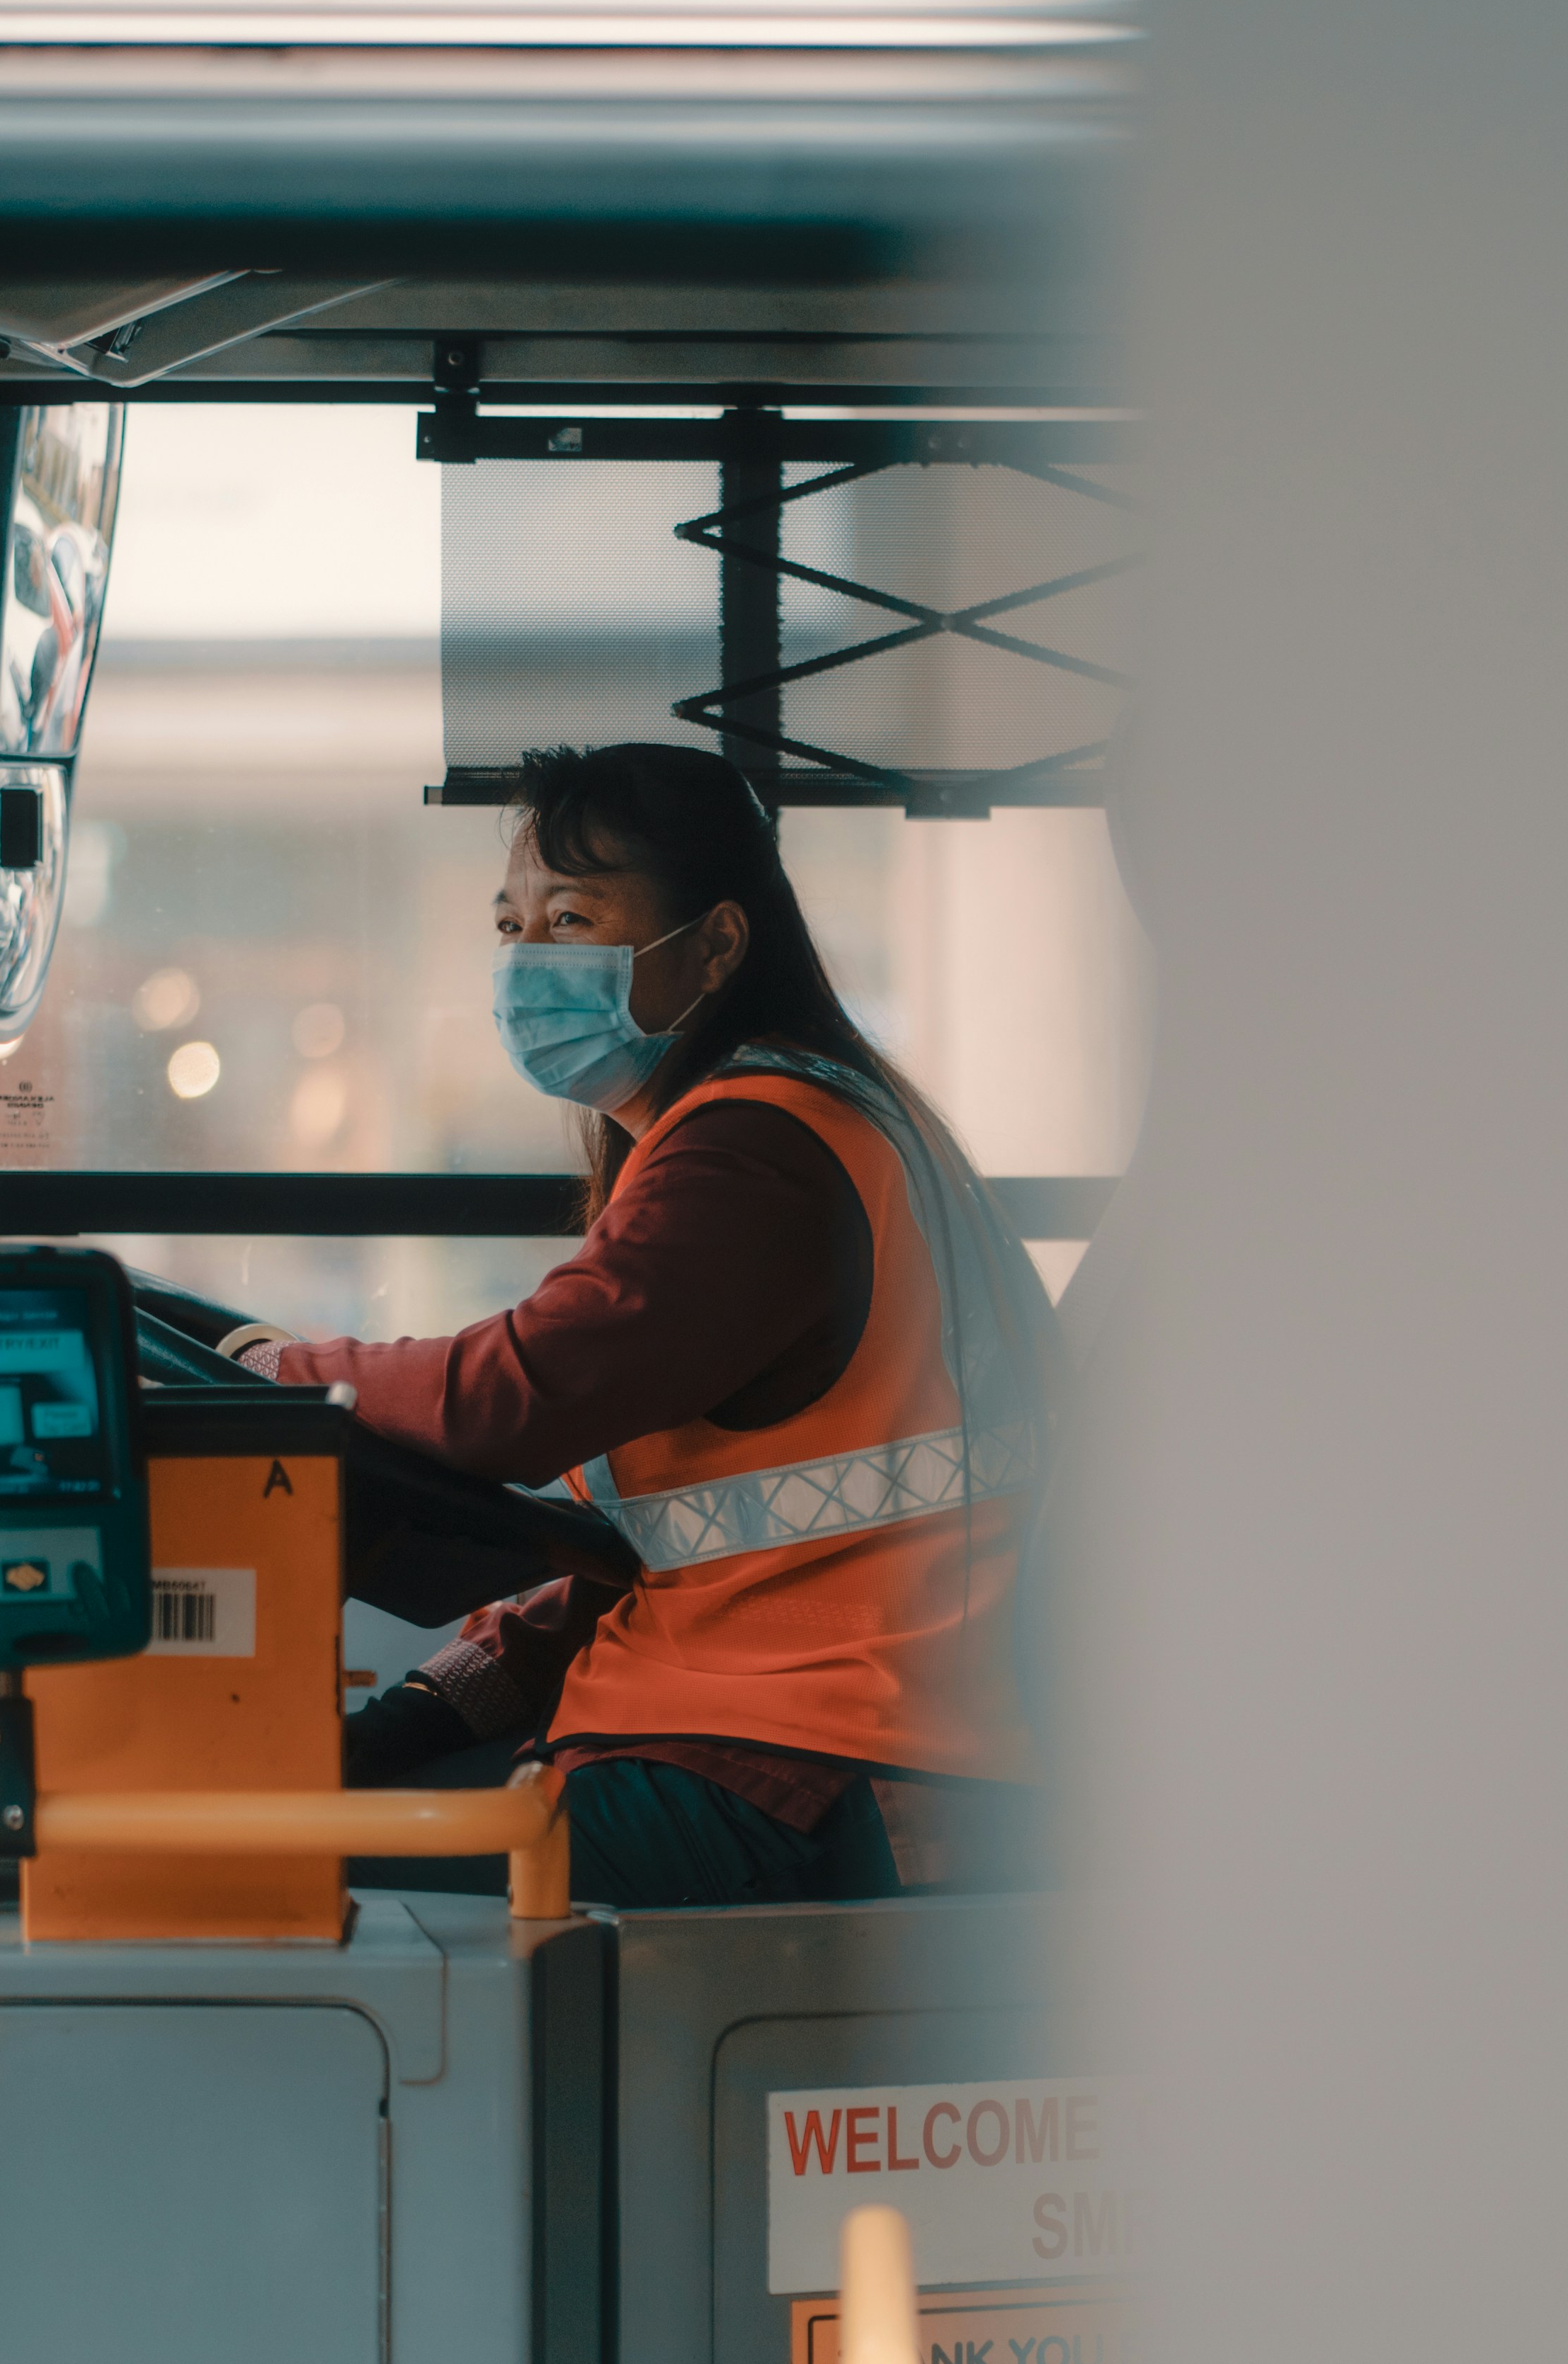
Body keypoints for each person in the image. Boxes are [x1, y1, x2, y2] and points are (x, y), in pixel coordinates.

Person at [233, 741, 1063, 1908]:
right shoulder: (768, 1126)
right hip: (781, 1732)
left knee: (238, 1868)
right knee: (315, 1815)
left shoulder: (755, 1154)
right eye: (511, 926)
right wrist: (430, 1708)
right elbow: (637, 1542)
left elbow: (508, 1401)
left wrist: (275, 1372)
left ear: (719, 945)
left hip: (803, 1761)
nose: (526, 961)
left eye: (572, 919)